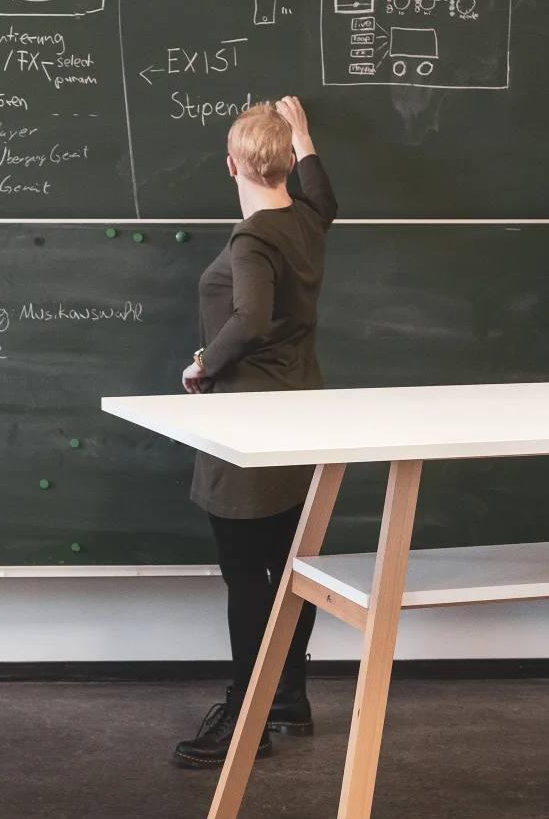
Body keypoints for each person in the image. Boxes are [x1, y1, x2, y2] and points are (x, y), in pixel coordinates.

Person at [174, 97, 337, 769]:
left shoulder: (254, 238)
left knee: (247, 576)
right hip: (300, 418)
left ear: (234, 164)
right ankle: (289, 698)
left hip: (250, 426)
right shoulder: (305, 219)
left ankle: (247, 714)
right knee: (289, 568)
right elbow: (325, 195)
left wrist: (203, 364)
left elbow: (252, 318)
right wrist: (304, 139)